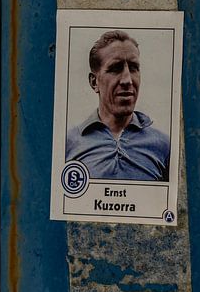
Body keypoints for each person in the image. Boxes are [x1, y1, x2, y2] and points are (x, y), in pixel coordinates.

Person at [66, 30, 170, 181]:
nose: (127, 80)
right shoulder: (68, 144)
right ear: (94, 82)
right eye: (115, 68)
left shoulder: (164, 146)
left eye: (134, 68)